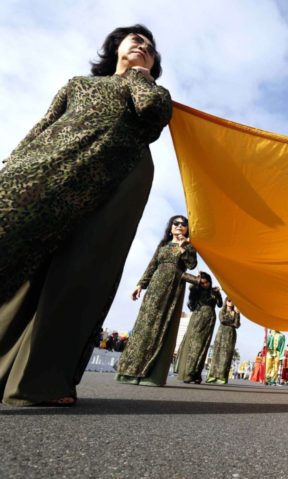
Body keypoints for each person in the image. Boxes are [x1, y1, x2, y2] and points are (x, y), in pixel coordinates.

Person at [0, 24, 171, 406]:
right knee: (22, 252)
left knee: (83, 268)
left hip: (121, 174)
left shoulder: (151, 89)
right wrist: (15, 159)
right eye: (134, 40)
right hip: (54, 162)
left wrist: (140, 77)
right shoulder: (77, 84)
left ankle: (38, 383)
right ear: (114, 48)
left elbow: (153, 114)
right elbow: (43, 125)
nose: (142, 45)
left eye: (150, 46)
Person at [116, 215, 197, 386]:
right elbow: (152, 265)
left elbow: (191, 265)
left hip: (173, 288)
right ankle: (129, 371)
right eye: (176, 223)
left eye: (183, 224)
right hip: (154, 288)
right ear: (170, 227)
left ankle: (151, 375)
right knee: (144, 325)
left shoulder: (189, 246)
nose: (180, 226)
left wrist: (183, 248)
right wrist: (140, 284)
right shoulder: (162, 245)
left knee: (162, 324)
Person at [176, 272, 223, 384]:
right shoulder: (196, 290)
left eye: (206, 282)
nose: (204, 284)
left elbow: (220, 305)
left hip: (211, 319)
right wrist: (196, 281)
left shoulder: (214, 291)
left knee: (204, 346)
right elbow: (191, 304)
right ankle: (189, 373)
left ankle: (197, 374)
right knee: (195, 346)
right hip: (199, 318)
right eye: (202, 283)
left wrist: (219, 294)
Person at [206, 297, 241, 384]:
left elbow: (237, 324)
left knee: (226, 355)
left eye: (232, 300)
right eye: (229, 300)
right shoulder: (222, 311)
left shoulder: (236, 312)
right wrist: (231, 322)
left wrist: (237, 315)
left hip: (231, 334)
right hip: (221, 333)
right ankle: (212, 376)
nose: (231, 302)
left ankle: (222, 377)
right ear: (226, 302)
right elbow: (222, 320)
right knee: (217, 353)